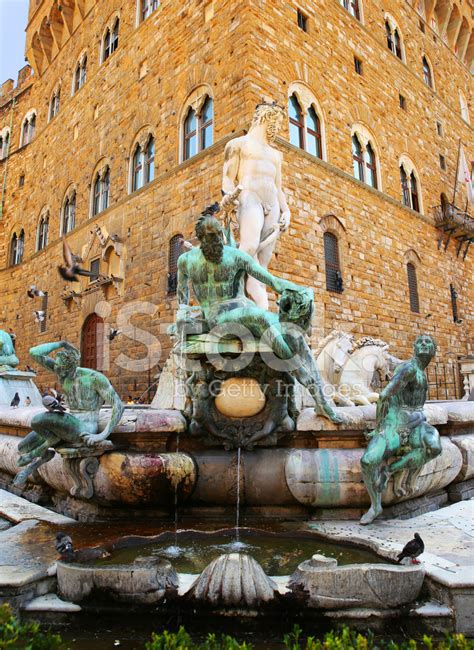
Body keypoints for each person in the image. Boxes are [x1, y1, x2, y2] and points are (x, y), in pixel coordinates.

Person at [177, 213, 344, 424]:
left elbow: (269, 280)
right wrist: (183, 316)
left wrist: (293, 289)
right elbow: (182, 299)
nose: (218, 241)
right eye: (212, 238)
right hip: (218, 317)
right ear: (201, 239)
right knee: (259, 319)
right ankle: (305, 378)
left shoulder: (235, 256)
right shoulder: (186, 261)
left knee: (293, 333)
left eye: (219, 236)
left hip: (242, 311)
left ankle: (321, 401)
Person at [14, 341, 124, 486]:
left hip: (84, 426)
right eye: (57, 368)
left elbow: (119, 406)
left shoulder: (94, 378)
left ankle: (41, 451)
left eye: (60, 369)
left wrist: (101, 435)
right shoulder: (62, 372)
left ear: (71, 367)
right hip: (67, 423)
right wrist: (61, 343)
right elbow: (34, 352)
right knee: (23, 447)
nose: (57, 371)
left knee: (36, 421)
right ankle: (45, 451)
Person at [360, 334, 442, 525]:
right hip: (394, 426)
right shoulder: (409, 368)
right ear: (414, 348)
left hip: (417, 425)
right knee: (368, 460)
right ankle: (375, 506)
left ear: (433, 351)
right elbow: (384, 396)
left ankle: (390, 470)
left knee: (435, 446)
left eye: (428, 342)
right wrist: (379, 427)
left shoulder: (421, 372)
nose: (423, 344)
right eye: (420, 342)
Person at [221, 102, 291, 309]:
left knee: (263, 260)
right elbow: (227, 178)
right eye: (277, 122)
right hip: (249, 196)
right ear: (266, 118)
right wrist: (228, 196)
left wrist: (286, 210)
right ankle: (229, 290)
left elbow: (278, 187)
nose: (278, 127)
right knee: (249, 246)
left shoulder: (276, 155)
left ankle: (261, 302)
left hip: (273, 203)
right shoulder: (238, 144)